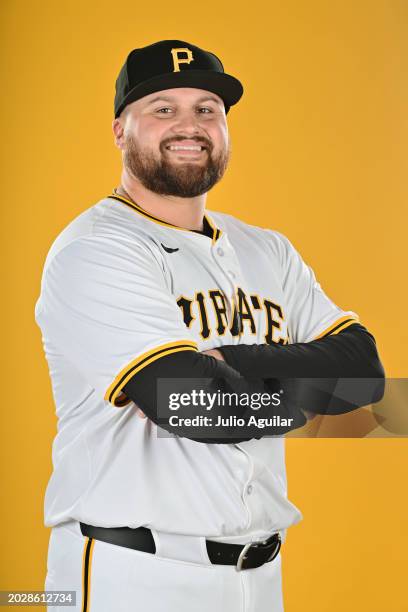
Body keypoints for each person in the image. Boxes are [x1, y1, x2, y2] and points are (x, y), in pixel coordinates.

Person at [35, 40, 385, 612]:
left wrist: (233, 363)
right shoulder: (97, 249)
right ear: (120, 130)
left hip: (261, 574)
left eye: (207, 109)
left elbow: (365, 374)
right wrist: (306, 389)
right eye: (163, 109)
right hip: (132, 573)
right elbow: (189, 403)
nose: (190, 125)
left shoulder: (268, 250)